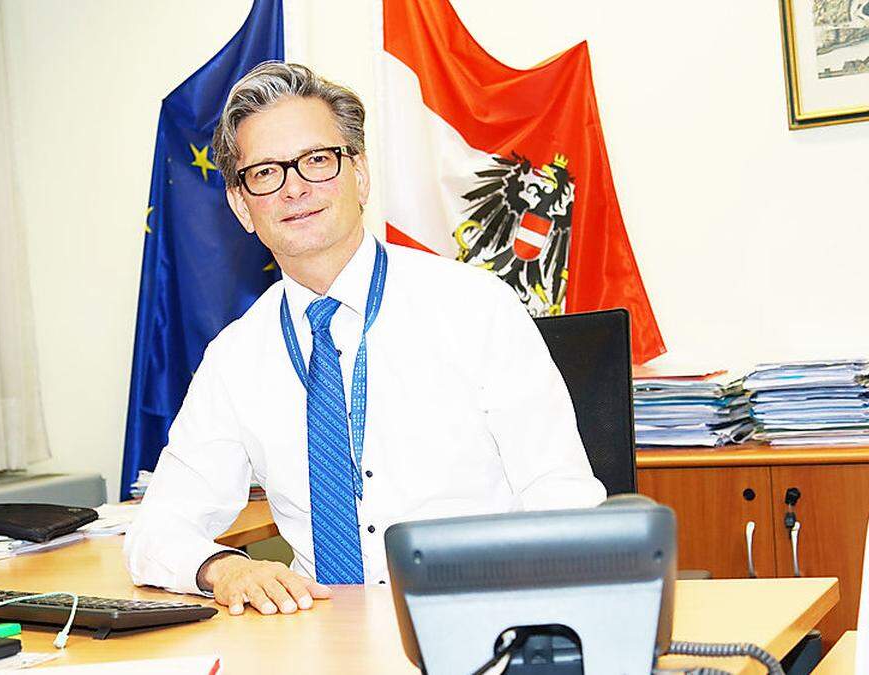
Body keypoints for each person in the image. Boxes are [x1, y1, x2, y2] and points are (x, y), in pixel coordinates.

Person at [123, 62, 605, 617]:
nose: (295, 188)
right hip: (318, 635)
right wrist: (224, 567)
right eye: (264, 173)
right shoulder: (235, 357)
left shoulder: (475, 307)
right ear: (241, 206)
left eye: (317, 161)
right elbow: (157, 529)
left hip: (479, 618)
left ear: (360, 175)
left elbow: (563, 499)